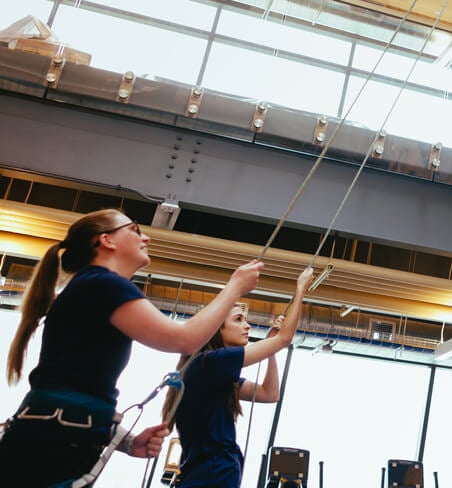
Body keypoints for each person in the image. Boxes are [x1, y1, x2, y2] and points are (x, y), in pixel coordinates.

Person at [1, 209, 263, 488]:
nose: (146, 238)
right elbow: (185, 340)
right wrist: (234, 287)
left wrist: (126, 442)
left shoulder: (93, 287)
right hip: (52, 447)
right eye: (135, 230)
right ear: (107, 240)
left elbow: (75, 386)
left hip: (48, 441)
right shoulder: (104, 284)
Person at [164, 265, 312, 487]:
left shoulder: (211, 372)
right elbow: (285, 338)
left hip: (209, 472)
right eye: (239, 319)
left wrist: (271, 352)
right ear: (216, 329)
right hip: (214, 473)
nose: (248, 325)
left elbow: (270, 394)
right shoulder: (211, 362)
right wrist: (301, 289)